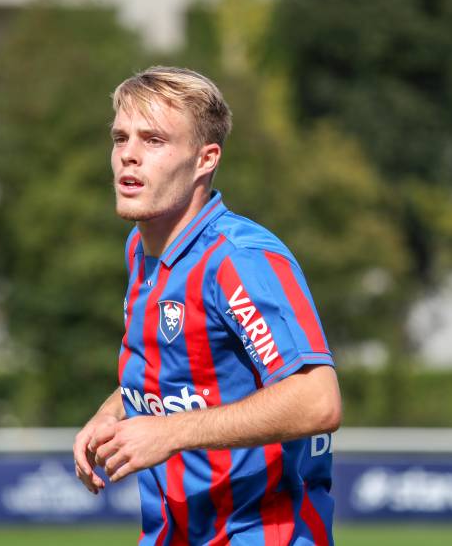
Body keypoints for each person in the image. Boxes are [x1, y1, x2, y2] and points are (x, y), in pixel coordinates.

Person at [73, 66, 342, 545]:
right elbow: (169, 377)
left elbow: (316, 400)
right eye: (120, 138)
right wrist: (111, 414)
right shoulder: (141, 250)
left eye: (153, 141)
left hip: (261, 533)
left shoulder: (238, 259)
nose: (128, 156)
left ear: (205, 159)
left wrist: (170, 433)